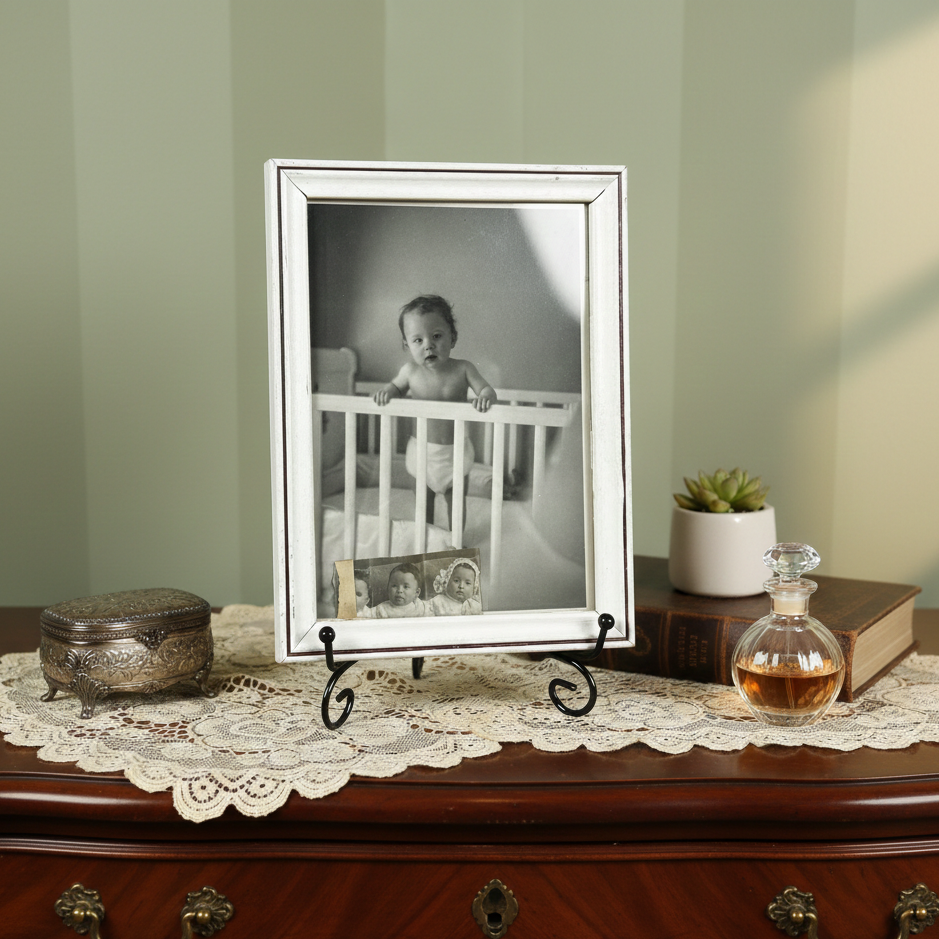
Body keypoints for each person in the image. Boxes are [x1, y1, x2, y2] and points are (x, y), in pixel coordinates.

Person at [373, 295, 496, 528]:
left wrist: (486, 397)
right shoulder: (409, 371)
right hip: (421, 455)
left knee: (456, 502)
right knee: (423, 503)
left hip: (456, 454)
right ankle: (426, 538)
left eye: (437, 336)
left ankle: (457, 543)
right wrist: (386, 392)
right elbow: (395, 387)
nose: (428, 344)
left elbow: (486, 389)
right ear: (407, 345)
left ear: (453, 338)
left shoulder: (463, 369)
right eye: (418, 340)